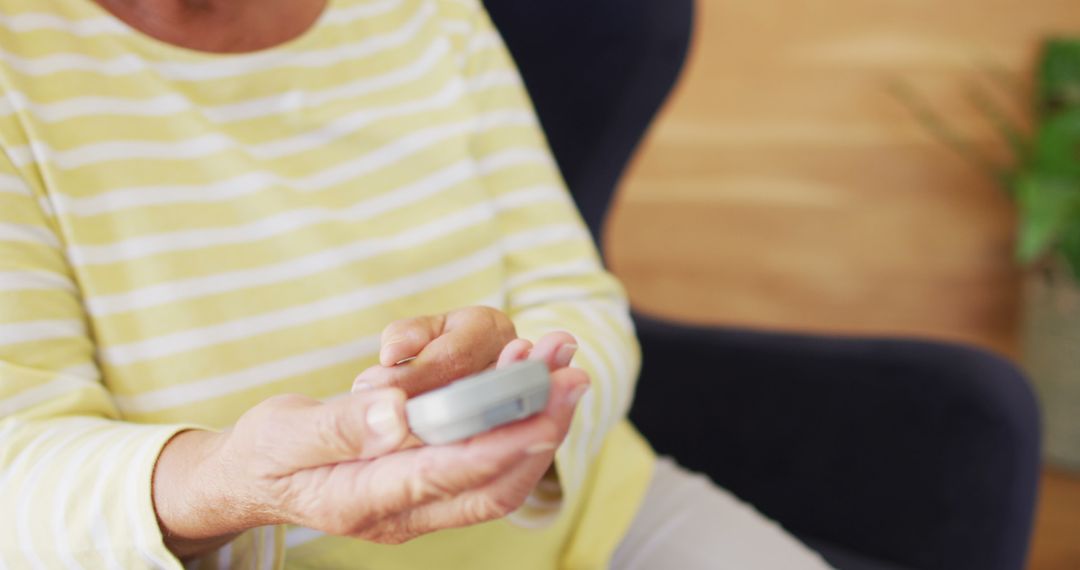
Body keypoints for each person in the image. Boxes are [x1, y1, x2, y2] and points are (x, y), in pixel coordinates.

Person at [0, 0, 832, 568]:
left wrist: (524, 372)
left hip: (595, 526)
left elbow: (575, 292)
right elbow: (16, 471)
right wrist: (226, 481)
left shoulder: (426, 10)